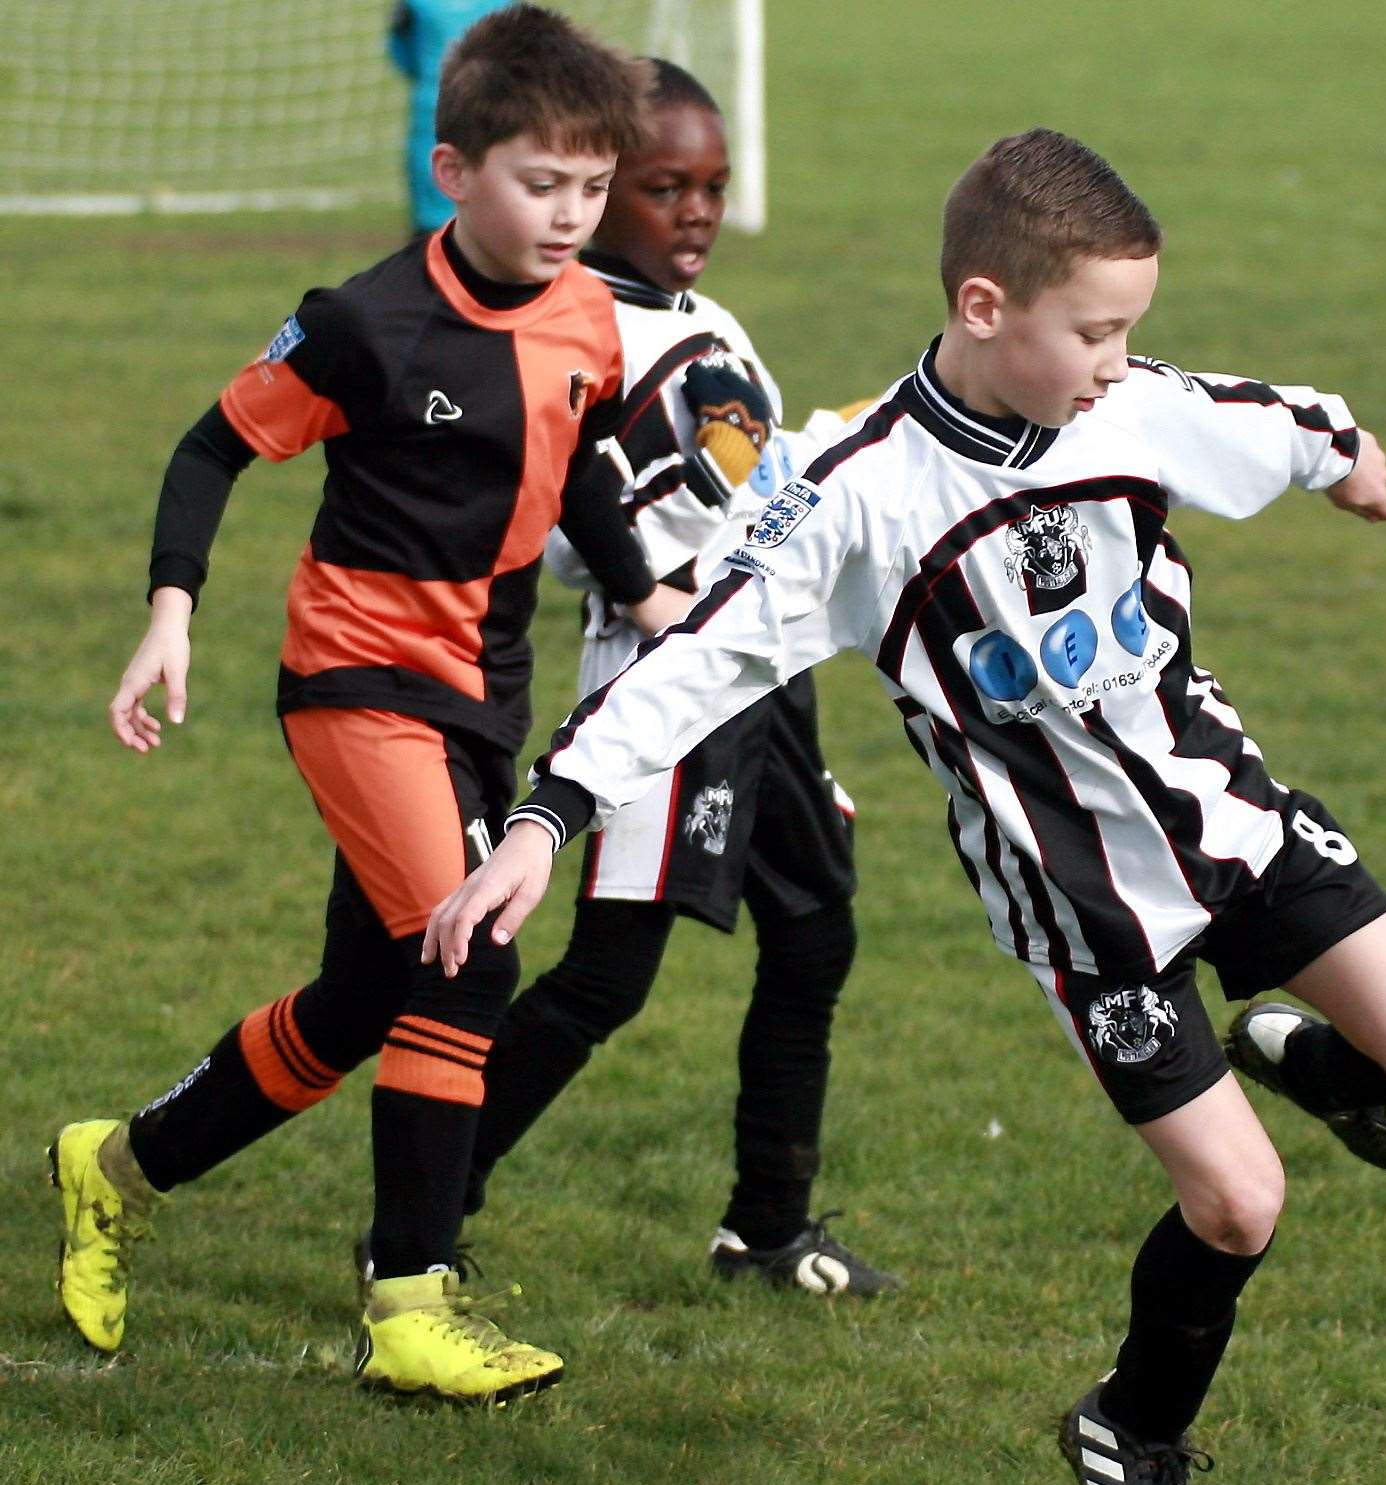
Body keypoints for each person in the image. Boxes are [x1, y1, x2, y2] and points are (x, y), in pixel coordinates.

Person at [425, 127, 1386, 1485]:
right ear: (987, 308)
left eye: (1132, 328)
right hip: (1084, 912)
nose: (1119, 360)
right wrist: (551, 811)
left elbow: (1281, 416)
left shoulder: (1136, 406)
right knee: (1239, 1203)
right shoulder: (849, 488)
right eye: (1095, 330)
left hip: (1229, 820)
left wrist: (1349, 458)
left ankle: (1300, 1044)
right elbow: (702, 655)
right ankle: (1132, 1429)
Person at [50, 4, 688, 1405]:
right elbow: (213, 444)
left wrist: (649, 599)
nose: (574, 215)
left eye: (594, 187)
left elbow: (577, 462)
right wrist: (171, 608)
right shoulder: (367, 323)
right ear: (456, 172)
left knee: (360, 1000)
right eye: (542, 183)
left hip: (480, 693)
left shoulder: (590, 312)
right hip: (353, 680)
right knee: (469, 951)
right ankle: (411, 1297)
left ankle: (112, 1164)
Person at [435, 60, 897, 1296]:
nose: (694, 211)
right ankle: (424, 1214)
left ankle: (770, 1227)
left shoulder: (710, 321)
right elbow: (592, 521)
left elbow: (757, 478)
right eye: (663, 186)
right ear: (596, 190)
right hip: (663, 677)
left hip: (766, 674)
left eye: (711, 187)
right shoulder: (577, 331)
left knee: (814, 930)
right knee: (605, 975)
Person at [388, 0, 509, 237]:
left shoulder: (415, 5)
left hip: (434, 112)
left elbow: (401, 54)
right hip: (494, 112)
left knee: (431, 224)